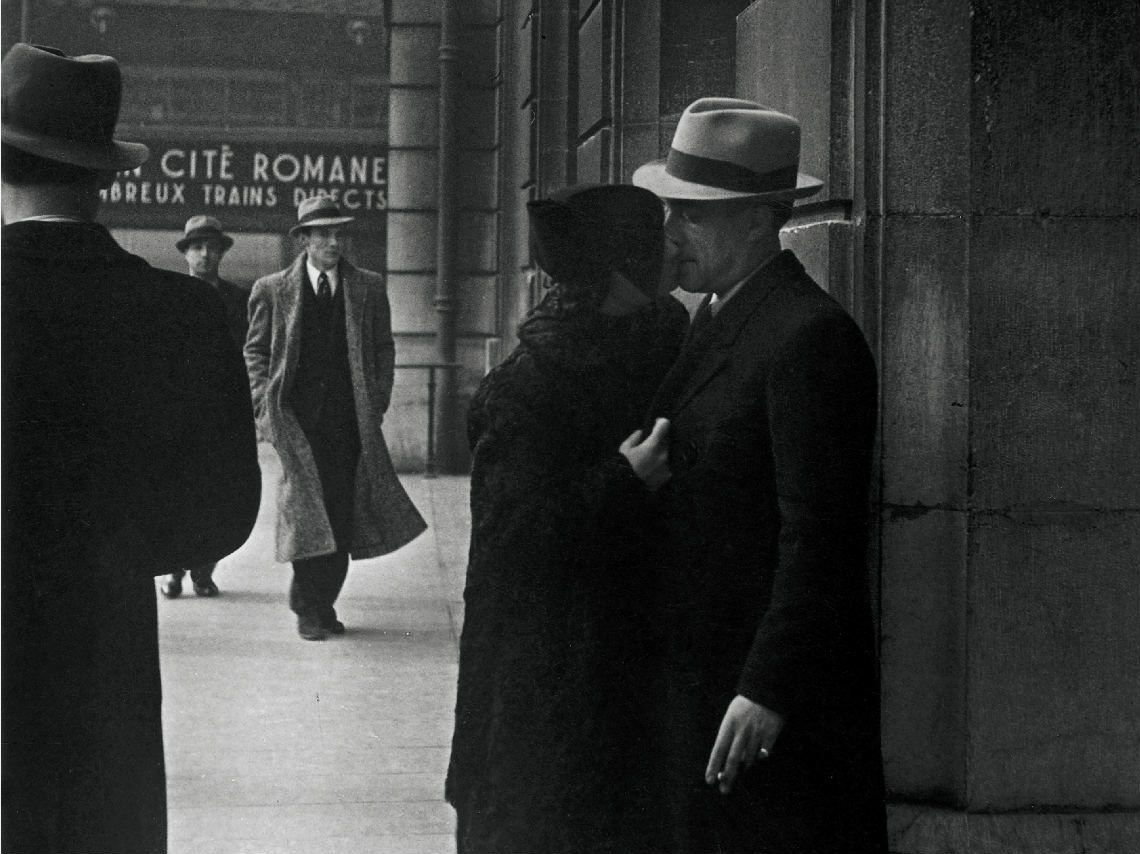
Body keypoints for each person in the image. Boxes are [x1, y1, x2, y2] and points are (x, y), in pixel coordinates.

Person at [1, 43, 261, 854]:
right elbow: (224, 510)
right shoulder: (180, 313)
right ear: (106, 174)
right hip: (104, 640)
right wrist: (112, 553)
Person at [625, 97, 888, 852]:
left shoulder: (809, 337)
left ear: (757, 220)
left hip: (766, 702)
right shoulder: (715, 315)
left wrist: (767, 687)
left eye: (693, 216)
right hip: (706, 678)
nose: (672, 234)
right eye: (672, 211)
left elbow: (822, 536)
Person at [446, 183, 689, 854]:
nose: (675, 247)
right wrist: (622, 480)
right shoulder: (529, 385)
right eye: (656, 237)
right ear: (620, 267)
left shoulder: (662, 335)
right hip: (546, 672)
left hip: (625, 659)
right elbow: (512, 540)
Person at [245, 195, 426, 641]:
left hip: (350, 424)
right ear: (303, 239)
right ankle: (312, 610)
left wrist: (377, 400)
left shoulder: (366, 286)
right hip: (297, 424)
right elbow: (255, 352)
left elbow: (384, 347)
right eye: (322, 233)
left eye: (338, 232)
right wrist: (265, 409)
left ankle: (320, 600)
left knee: (342, 517)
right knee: (307, 513)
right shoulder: (272, 289)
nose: (332, 241)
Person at [162, 214, 250, 599]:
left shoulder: (237, 299)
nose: (205, 255)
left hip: (223, 409)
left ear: (222, 253)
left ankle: (203, 571)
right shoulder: (170, 295)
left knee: (216, 493)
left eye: (212, 248)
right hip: (180, 409)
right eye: (197, 248)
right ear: (185, 254)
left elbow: (249, 349)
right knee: (177, 491)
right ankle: (174, 571)